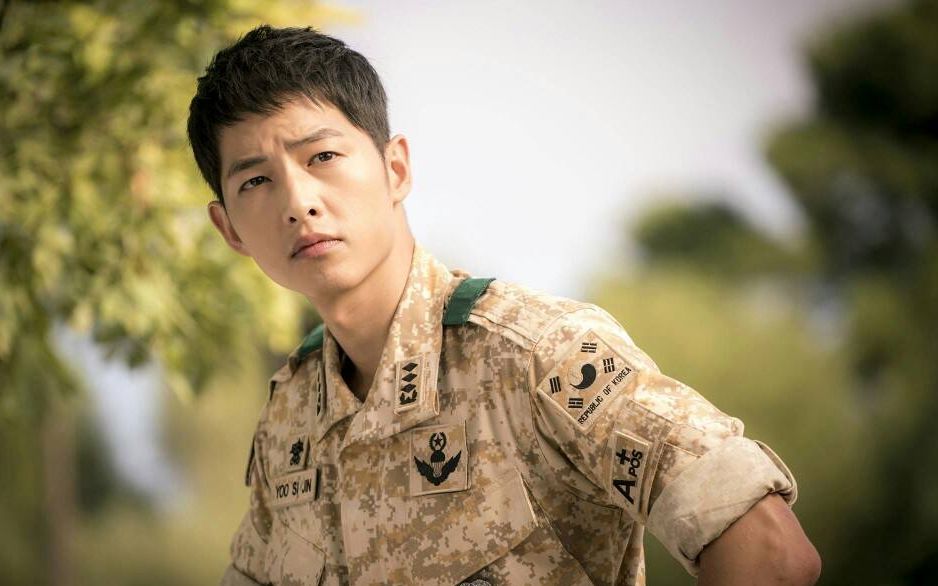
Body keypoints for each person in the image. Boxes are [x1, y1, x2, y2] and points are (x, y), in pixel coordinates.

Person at [187, 25, 821, 586]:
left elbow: (769, 550)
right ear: (229, 229)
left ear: (395, 169)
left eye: (322, 157)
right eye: (256, 180)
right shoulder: (291, 417)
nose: (298, 202)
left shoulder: (536, 354)